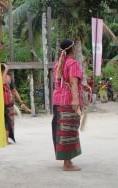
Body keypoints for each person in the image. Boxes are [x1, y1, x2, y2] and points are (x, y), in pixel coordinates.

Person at [51, 39, 83, 171]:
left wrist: (83, 86)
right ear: (73, 49)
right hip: (68, 101)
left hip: (58, 101)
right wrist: (75, 99)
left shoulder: (58, 64)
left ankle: (66, 160)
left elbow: (65, 82)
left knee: (61, 130)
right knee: (68, 130)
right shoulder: (72, 63)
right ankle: (67, 164)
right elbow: (73, 83)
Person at [0, 63, 27, 144]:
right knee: (1, 121)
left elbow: (12, 89)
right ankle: (1, 138)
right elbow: (12, 90)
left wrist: (21, 102)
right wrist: (21, 101)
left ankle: (3, 139)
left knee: (4, 122)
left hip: (3, 103)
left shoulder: (2, 77)